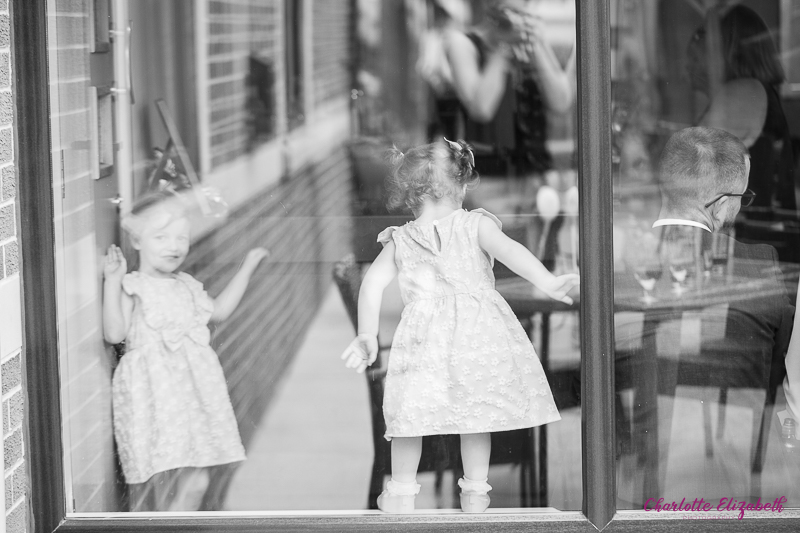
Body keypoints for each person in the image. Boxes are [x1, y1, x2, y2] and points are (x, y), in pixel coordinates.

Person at [339, 138, 579, 513]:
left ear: (410, 194)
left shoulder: (401, 240)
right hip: (475, 337)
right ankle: (476, 491)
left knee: (410, 416)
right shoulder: (474, 225)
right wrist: (546, 281)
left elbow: (371, 285)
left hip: (423, 342)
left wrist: (367, 334)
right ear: (461, 187)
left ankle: (401, 492)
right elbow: (512, 252)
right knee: (476, 416)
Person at [615, 127, 794, 495]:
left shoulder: (614, 258)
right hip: (734, 481)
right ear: (720, 204)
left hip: (619, 483)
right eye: (742, 198)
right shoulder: (760, 264)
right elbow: (780, 368)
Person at [102, 190, 269, 511]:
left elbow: (219, 310)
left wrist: (247, 267)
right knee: (159, 481)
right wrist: (112, 282)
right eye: (161, 237)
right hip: (156, 397)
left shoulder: (187, 286)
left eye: (182, 238)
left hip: (192, 398)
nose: (174, 246)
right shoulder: (134, 286)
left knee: (197, 482)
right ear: (137, 241)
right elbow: (114, 333)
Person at [687, 4, 799, 264]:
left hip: (750, 249)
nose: (697, 46)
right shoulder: (759, 93)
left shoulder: (741, 93)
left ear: (728, 49)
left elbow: (693, 171)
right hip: (768, 244)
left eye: (706, 37)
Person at [442, 0, 575, 206]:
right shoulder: (463, 43)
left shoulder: (530, 43)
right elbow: (481, 108)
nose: (518, 22)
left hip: (535, 175)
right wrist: (502, 49)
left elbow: (561, 102)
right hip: (488, 179)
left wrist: (536, 45)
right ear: (491, 11)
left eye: (524, 13)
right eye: (510, 12)